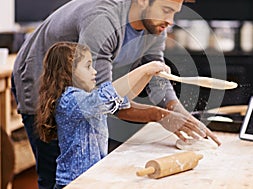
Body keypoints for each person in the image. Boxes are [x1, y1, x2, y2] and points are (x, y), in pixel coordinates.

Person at [12, 0, 221, 189]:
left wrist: (182, 116)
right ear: (143, 0)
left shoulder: (156, 26)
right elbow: (105, 100)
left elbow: (157, 77)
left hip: (82, 89)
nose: (170, 22)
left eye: (175, 13)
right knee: (55, 174)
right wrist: (161, 116)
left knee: (87, 163)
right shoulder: (104, 22)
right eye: (166, 10)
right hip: (39, 75)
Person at [36, 41, 171, 188]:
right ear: (68, 72)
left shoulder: (86, 98)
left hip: (90, 179)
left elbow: (124, 98)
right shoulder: (71, 101)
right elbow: (109, 95)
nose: (94, 71)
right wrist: (145, 68)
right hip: (74, 183)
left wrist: (148, 74)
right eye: (88, 66)